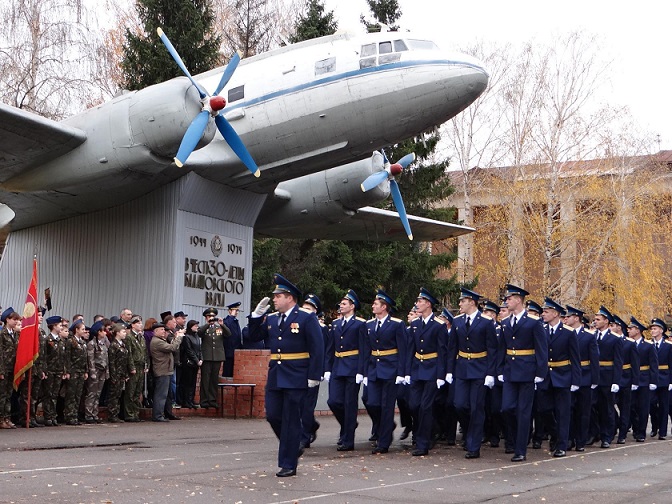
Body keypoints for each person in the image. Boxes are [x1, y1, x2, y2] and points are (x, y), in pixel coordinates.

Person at [247, 273, 324, 477]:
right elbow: (252, 337)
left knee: (290, 419)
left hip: (298, 374)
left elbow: (318, 347)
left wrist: (314, 375)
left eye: (277, 296)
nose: (274, 299)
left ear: (289, 298)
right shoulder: (271, 319)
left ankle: (288, 463)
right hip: (276, 374)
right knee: (273, 415)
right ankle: (294, 443)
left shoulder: (306, 318)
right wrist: (255, 317)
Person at [498, 284, 548, 462]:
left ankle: (520, 450)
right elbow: (502, 348)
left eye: (509, 299)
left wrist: (540, 372)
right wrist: (500, 369)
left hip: (527, 371)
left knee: (523, 412)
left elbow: (541, 348)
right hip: (510, 371)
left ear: (518, 300)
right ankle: (513, 440)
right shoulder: (505, 322)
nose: (507, 302)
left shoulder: (534, 322)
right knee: (506, 408)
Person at [446, 288, 498, 459]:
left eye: (462, 301)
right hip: (461, 368)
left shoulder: (485, 322)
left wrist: (491, 373)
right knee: (459, 404)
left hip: (479, 368)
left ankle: (474, 445)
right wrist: (449, 370)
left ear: (472, 302)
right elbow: (452, 347)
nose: (460, 304)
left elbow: (492, 348)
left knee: (476, 408)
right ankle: (469, 432)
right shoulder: (457, 321)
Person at [361, 290, 406, 454]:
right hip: (374, 369)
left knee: (387, 407)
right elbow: (366, 349)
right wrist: (364, 372)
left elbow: (403, 349)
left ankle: (384, 442)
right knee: (372, 402)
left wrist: (402, 373)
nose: (373, 306)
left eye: (376, 304)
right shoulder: (369, 325)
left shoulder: (396, 324)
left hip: (390, 369)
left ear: (384, 307)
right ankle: (384, 428)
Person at [406, 287, 449, 457]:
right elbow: (411, 349)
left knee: (425, 407)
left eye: (420, 301)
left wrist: (441, 374)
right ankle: (432, 430)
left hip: (432, 369)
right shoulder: (415, 324)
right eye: (417, 301)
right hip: (417, 369)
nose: (417, 304)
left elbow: (443, 351)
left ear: (428, 304)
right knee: (413, 405)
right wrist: (407, 371)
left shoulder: (439, 325)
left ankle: (423, 443)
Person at [535, 298, 581, 458]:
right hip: (545, 377)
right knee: (543, 409)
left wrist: (576, 380)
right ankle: (555, 433)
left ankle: (562, 444)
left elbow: (575, 358)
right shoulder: (541, 329)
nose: (543, 314)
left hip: (563, 376)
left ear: (555, 313)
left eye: (546, 312)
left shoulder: (568, 333)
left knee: (563, 413)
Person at [326, 289, 367, 452]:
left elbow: (364, 348)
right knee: (333, 401)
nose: (340, 306)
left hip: (352, 367)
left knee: (350, 404)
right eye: (340, 304)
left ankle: (348, 439)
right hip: (337, 366)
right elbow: (330, 348)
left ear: (352, 306)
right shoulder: (335, 324)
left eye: (344, 304)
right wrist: (327, 368)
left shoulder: (360, 324)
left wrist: (361, 370)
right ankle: (348, 424)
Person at [564, 305, 599, 452]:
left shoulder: (588, 336)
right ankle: (569, 438)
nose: (565, 319)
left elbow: (594, 359)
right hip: (569, 375)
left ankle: (581, 440)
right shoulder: (565, 333)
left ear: (576, 318)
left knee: (583, 411)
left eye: (568, 317)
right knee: (568, 410)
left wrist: (594, 380)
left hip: (585, 376)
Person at [592, 306, 623, 448]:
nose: (595, 322)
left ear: (606, 321)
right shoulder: (592, 336)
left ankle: (607, 436)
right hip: (594, 377)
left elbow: (618, 361)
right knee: (593, 407)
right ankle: (594, 433)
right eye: (595, 319)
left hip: (607, 377)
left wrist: (616, 381)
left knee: (607, 409)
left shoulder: (615, 339)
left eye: (598, 319)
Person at [298, 294, 326, 451]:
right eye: (304, 308)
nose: (305, 311)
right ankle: (311, 426)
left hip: (311, 371)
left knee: (307, 407)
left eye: (309, 309)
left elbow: (321, 351)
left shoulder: (320, 329)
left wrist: (317, 373)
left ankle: (304, 437)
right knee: (299, 406)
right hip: (298, 371)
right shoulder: (296, 325)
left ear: (315, 312)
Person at [628, 317, 658, 442]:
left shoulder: (648, 346)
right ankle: (635, 428)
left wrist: (653, 381)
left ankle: (641, 432)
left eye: (631, 328)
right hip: (631, 379)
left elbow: (654, 364)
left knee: (643, 407)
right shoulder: (628, 343)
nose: (628, 330)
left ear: (638, 330)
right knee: (631, 406)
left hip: (644, 378)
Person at [610, 314, 639, 444]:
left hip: (626, 378)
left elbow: (635, 364)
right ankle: (612, 429)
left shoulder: (629, 343)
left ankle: (622, 433)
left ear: (619, 327)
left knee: (625, 408)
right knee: (609, 406)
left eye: (612, 326)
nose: (610, 328)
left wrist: (635, 381)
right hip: (611, 378)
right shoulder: (609, 340)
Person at [150, 322, 184, 422]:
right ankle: (157, 415)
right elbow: (172, 348)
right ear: (155, 331)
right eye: (161, 330)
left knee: (167, 395)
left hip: (166, 370)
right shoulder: (157, 341)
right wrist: (179, 337)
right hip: (162, 370)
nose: (164, 331)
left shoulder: (161, 340)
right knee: (161, 394)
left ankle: (166, 413)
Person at [198, 308, 231, 409]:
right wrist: (208, 324)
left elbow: (228, 334)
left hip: (217, 356)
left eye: (212, 317)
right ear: (206, 318)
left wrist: (222, 324)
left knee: (214, 379)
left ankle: (212, 400)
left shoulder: (219, 327)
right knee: (205, 379)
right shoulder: (204, 328)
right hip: (207, 357)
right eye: (209, 317)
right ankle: (204, 400)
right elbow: (199, 333)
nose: (211, 318)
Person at [649, 318, 672, 439]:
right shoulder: (649, 344)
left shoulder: (668, 346)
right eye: (652, 329)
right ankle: (654, 427)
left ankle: (662, 432)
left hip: (664, 378)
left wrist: (671, 381)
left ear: (661, 331)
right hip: (652, 379)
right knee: (651, 405)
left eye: (655, 328)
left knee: (664, 406)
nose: (652, 331)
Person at [63, 320, 89, 425]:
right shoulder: (71, 341)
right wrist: (67, 371)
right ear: (76, 330)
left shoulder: (82, 342)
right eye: (82, 329)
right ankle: (69, 416)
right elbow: (67, 357)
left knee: (78, 394)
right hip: (73, 371)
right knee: (71, 394)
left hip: (81, 371)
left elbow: (85, 358)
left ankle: (75, 415)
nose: (84, 331)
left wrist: (86, 370)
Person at [43, 316, 66, 427]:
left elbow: (63, 357)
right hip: (50, 371)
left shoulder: (61, 341)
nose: (61, 327)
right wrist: (45, 370)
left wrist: (63, 370)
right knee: (48, 394)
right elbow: (45, 356)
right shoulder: (47, 340)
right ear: (53, 326)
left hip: (58, 371)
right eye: (59, 325)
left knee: (55, 394)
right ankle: (47, 416)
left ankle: (53, 415)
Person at [107, 323, 133, 423]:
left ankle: (116, 414)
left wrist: (125, 374)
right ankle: (112, 415)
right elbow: (112, 361)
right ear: (117, 333)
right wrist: (113, 376)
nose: (125, 333)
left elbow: (125, 360)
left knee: (118, 394)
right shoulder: (113, 345)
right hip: (116, 374)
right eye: (123, 331)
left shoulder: (123, 344)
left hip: (122, 374)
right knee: (113, 395)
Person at [124, 315, 147, 422]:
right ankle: (129, 414)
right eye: (137, 323)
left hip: (141, 366)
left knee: (138, 391)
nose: (140, 325)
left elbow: (145, 352)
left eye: (141, 323)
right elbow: (129, 354)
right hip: (134, 366)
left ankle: (135, 413)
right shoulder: (129, 337)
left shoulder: (141, 337)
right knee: (131, 391)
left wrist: (147, 365)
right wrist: (131, 367)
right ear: (132, 325)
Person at [84, 321, 109, 423]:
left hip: (102, 371)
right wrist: (92, 372)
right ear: (98, 332)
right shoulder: (92, 344)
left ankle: (95, 413)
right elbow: (91, 359)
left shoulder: (103, 344)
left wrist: (107, 371)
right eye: (103, 331)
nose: (105, 333)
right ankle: (88, 414)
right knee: (91, 393)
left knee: (98, 393)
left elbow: (106, 358)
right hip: (95, 371)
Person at [0, 309, 20, 429]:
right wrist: (1, 371)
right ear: (7, 319)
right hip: (4, 368)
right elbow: (0, 353)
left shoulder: (16, 334)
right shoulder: (2, 334)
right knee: (2, 395)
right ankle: (1, 418)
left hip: (13, 368)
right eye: (14, 319)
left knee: (9, 394)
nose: (16, 322)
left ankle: (7, 418)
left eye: (17, 320)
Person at [179, 320, 202, 409]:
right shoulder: (187, 337)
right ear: (191, 326)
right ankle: (186, 401)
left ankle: (191, 400)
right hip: (188, 362)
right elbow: (189, 350)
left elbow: (199, 349)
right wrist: (196, 360)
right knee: (187, 382)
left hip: (195, 363)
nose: (196, 327)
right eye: (195, 326)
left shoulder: (197, 337)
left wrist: (201, 359)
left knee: (193, 382)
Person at [222, 302, 242, 377]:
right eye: (234, 310)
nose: (236, 312)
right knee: (227, 373)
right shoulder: (227, 321)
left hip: (235, 351)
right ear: (230, 311)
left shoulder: (235, 321)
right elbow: (227, 327)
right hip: (228, 352)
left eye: (237, 311)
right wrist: (232, 316)